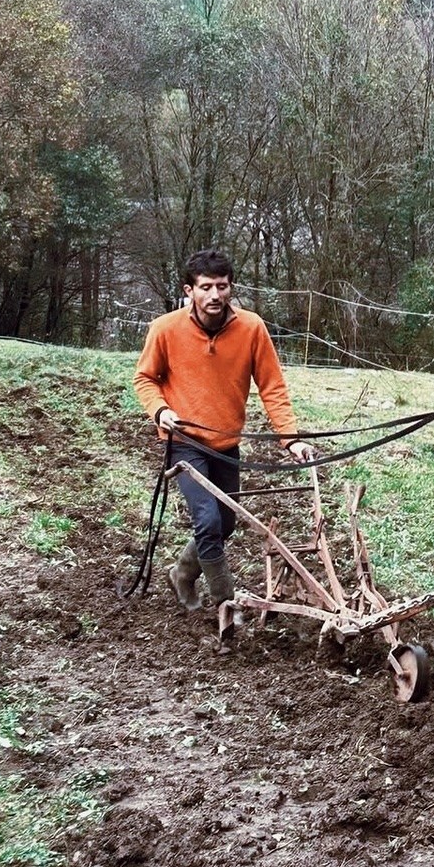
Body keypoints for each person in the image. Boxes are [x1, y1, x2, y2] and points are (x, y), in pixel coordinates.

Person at [133, 248, 315, 618]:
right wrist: (161, 410)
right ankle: (225, 605)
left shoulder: (251, 328)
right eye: (205, 287)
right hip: (184, 443)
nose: (214, 295)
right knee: (209, 522)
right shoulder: (165, 329)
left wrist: (290, 438)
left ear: (231, 288)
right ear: (189, 290)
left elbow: (272, 387)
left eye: (222, 286)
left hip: (226, 444)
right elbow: (145, 378)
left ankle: (182, 573)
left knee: (226, 523)